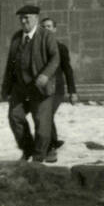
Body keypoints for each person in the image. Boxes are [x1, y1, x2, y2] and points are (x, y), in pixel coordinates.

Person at [0, 3, 60, 163]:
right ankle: (27, 149)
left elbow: (55, 58)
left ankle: (38, 158)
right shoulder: (16, 38)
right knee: (14, 116)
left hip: (41, 88)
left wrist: (46, 75)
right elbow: (10, 65)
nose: (23, 21)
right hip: (21, 88)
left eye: (27, 18)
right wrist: (5, 88)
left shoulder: (46, 36)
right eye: (21, 18)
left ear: (36, 18)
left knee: (41, 123)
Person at [40, 17, 78, 162]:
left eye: (49, 26)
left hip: (57, 90)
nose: (46, 29)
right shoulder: (36, 48)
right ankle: (53, 141)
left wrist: (73, 92)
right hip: (42, 89)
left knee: (46, 114)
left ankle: (51, 149)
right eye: (44, 27)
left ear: (54, 29)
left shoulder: (60, 48)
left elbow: (68, 70)